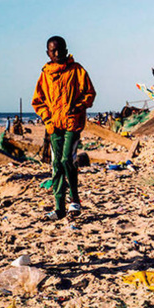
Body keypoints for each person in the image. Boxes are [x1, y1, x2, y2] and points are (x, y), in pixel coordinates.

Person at [32, 36, 96, 220]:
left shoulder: (77, 70)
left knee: (67, 159)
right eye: (54, 51)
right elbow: (38, 101)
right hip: (54, 127)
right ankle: (59, 207)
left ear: (67, 49)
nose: (58, 53)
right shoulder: (45, 74)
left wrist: (78, 107)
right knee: (56, 165)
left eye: (61, 49)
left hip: (72, 124)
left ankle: (74, 199)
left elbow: (90, 93)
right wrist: (47, 118)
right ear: (48, 53)